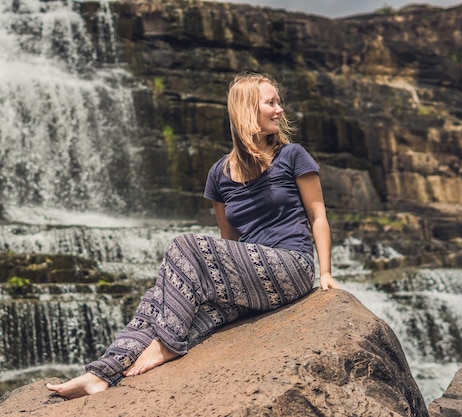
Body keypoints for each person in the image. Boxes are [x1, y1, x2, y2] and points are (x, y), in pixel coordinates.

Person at [46, 72, 340, 399]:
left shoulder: (292, 156)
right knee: (158, 299)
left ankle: (168, 345)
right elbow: (227, 243)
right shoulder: (219, 175)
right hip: (251, 279)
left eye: (278, 102)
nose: (279, 110)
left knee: (185, 246)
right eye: (270, 103)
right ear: (246, 110)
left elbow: (318, 216)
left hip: (291, 267)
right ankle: (102, 373)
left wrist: (325, 273)